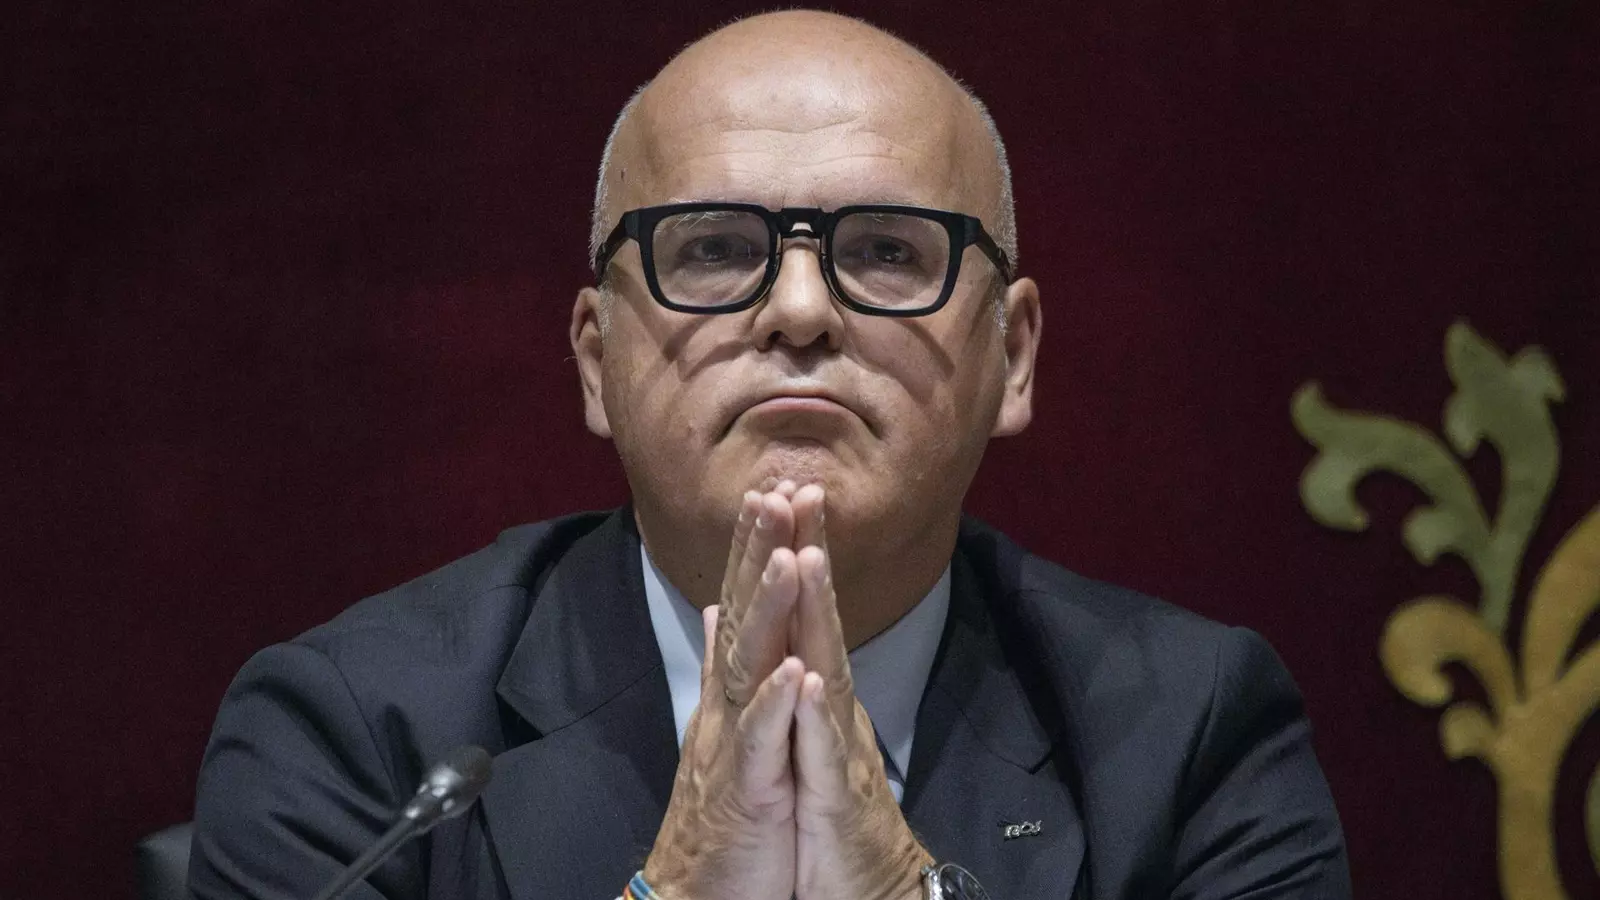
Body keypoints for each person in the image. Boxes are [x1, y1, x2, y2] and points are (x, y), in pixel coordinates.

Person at [189, 10, 1350, 900]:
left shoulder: (1192, 732)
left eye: (888, 251)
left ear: (1013, 356)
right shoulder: (356, 736)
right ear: (595, 362)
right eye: (711, 249)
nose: (799, 310)